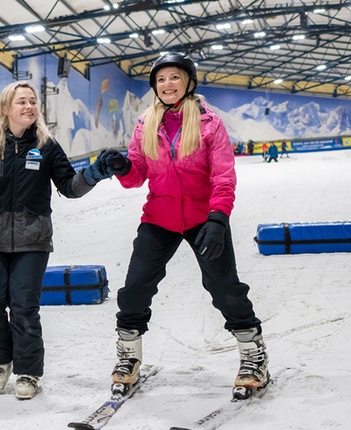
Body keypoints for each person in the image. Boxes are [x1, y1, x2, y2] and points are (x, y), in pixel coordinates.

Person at [0, 81, 119, 400]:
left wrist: (92, 175)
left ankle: (28, 370)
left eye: (33, 101)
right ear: (6, 109)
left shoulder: (46, 146)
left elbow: (69, 186)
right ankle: (0, 359)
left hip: (33, 239)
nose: (29, 106)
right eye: (22, 102)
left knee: (23, 305)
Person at [110, 52, 268, 401]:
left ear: (188, 82)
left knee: (224, 287)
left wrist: (218, 218)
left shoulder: (209, 123)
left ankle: (254, 357)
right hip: (159, 219)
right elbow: (136, 177)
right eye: (161, 79)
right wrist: (123, 166)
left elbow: (224, 176)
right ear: (155, 86)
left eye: (175, 77)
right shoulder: (145, 124)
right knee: (135, 287)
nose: (168, 84)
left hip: (204, 219)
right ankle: (128, 358)